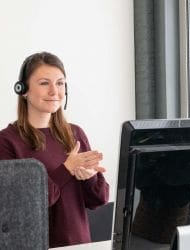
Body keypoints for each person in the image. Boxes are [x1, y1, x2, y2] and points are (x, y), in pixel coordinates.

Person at [0, 51, 109, 248]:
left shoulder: (75, 134)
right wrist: (66, 169)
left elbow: (98, 199)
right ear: (22, 89)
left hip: (80, 244)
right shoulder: (7, 141)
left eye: (60, 83)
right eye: (44, 83)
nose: (54, 91)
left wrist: (89, 177)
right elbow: (21, 209)